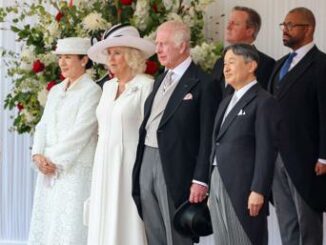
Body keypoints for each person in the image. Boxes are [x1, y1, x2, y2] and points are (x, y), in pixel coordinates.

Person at [132, 20, 219, 245]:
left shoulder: (204, 83)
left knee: (178, 233)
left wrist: (201, 180)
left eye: (164, 44)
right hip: (147, 160)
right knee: (153, 229)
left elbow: (208, 136)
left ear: (182, 46)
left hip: (177, 166)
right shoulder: (160, 79)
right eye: (157, 43)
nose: (158, 49)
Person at [85, 24, 156, 245]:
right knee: (103, 212)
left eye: (117, 53)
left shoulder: (146, 85)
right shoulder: (107, 87)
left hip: (130, 162)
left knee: (127, 215)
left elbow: (151, 132)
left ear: (132, 55)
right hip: (103, 160)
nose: (111, 59)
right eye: (109, 53)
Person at [28, 37, 101, 245]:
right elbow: (42, 125)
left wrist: (52, 160)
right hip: (48, 169)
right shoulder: (55, 90)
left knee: (70, 224)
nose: (62, 63)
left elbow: (81, 132)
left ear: (84, 60)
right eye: (60, 57)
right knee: (48, 222)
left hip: (74, 170)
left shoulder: (92, 91)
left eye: (68, 57)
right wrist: (38, 155)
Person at [209, 43, 280, 245]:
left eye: (232, 62)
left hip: (243, 186)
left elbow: (267, 150)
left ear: (251, 66)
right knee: (222, 239)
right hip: (217, 179)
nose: (226, 68)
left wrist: (258, 190)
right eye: (224, 64)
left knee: (245, 239)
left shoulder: (263, 101)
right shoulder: (226, 100)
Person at [269, 7, 326, 245]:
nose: (285, 30)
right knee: (287, 222)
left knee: (308, 224)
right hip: (277, 156)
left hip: (307, 158)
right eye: (283, 25)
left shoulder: (321, 64)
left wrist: (324, 157)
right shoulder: (280, 64)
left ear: (309, 28)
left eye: (291, 25)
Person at [212, 6, 275, 97]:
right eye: (229, 22)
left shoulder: (266, 63)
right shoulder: (219, 62)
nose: (228, 27)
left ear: (249, 31)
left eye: (235, 24)